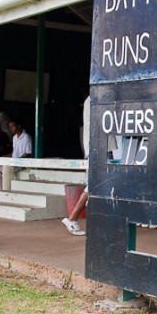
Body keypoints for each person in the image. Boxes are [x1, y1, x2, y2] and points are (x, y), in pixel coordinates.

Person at [62, 96, 89, 236]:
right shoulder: (93, 99)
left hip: (99, 148)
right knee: (93, 186)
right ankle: (72, 218)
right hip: (98, 149)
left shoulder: (89, 100)